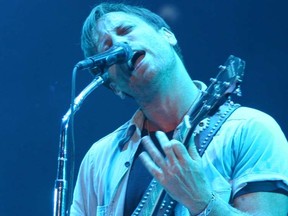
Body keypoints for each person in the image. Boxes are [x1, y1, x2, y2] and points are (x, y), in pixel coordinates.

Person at [70, 2, 288, 216]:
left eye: (126, 30)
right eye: (107, 48)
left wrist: (202, 201)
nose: (119, 45)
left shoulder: (250, 129)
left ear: (168, 35)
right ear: (115, 87)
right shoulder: (97, 160)